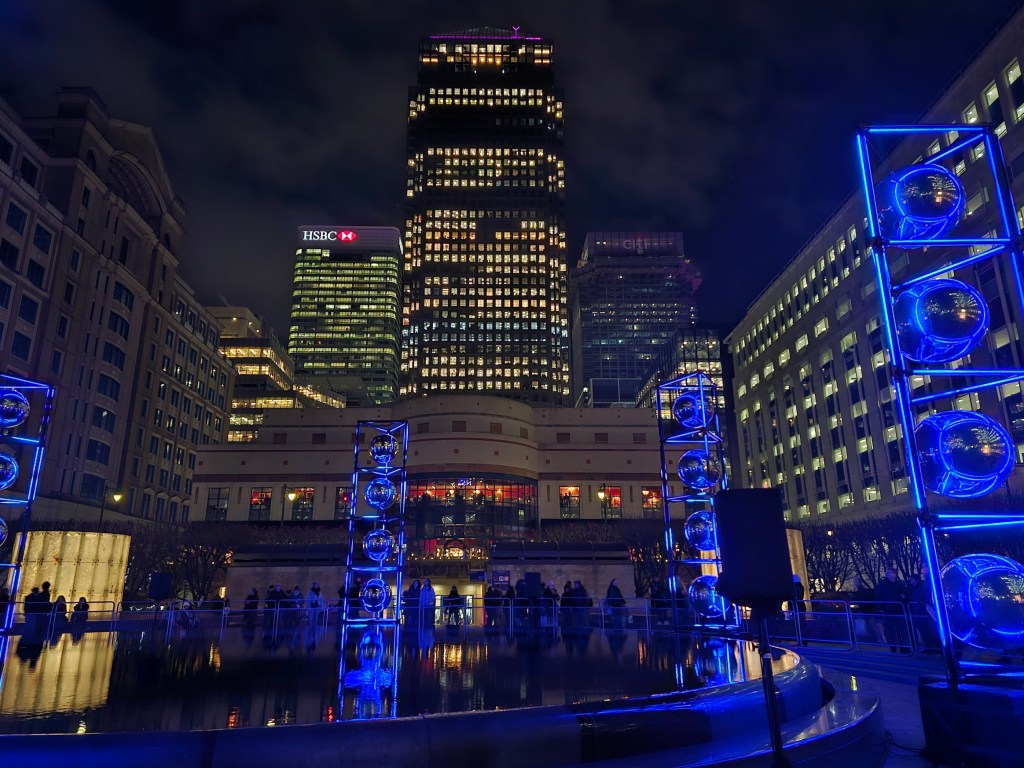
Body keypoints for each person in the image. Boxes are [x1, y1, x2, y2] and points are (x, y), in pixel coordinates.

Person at [874, 567, 909, 652]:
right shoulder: (882, 584)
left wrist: (904, 597)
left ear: (895, 574)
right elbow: (877, 596)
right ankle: (893, 647)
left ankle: (902, 647)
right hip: (888, 610)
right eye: (887, 573)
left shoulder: (899, 584)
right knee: (890, 630)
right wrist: (880, 608)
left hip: (899, 610)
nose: (888, 574)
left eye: (890, 573)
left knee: (900, 630)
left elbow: (906, 594)